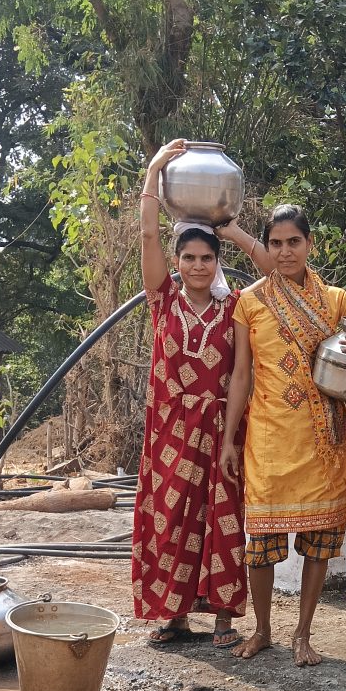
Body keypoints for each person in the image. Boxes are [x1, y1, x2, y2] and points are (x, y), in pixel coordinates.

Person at [220, 204, 346, 666]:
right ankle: (262, 629)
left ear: (309, 244)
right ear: (267, 247)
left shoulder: (336, 301)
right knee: (260, 547)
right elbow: (241, 375)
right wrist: (229, 439)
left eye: (294, 241)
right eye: (275, 243)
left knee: (319, 542)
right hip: (269, 440)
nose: (285, 251)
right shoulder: (249, 301)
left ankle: (303, 633)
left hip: (324, 442)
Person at [132, 138, 271, 647]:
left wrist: (229, 230)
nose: (197, 266)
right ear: (176, 260)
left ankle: (223, 617)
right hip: (170, 430)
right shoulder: (162, 299)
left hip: (220, 428)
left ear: (217, 261)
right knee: (170, 518)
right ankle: (174, 614)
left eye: (206, 257)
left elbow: (276, 273)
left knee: (223, 517)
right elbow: (149, 232)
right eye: (188, 257)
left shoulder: (235, 307)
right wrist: (154, 170)